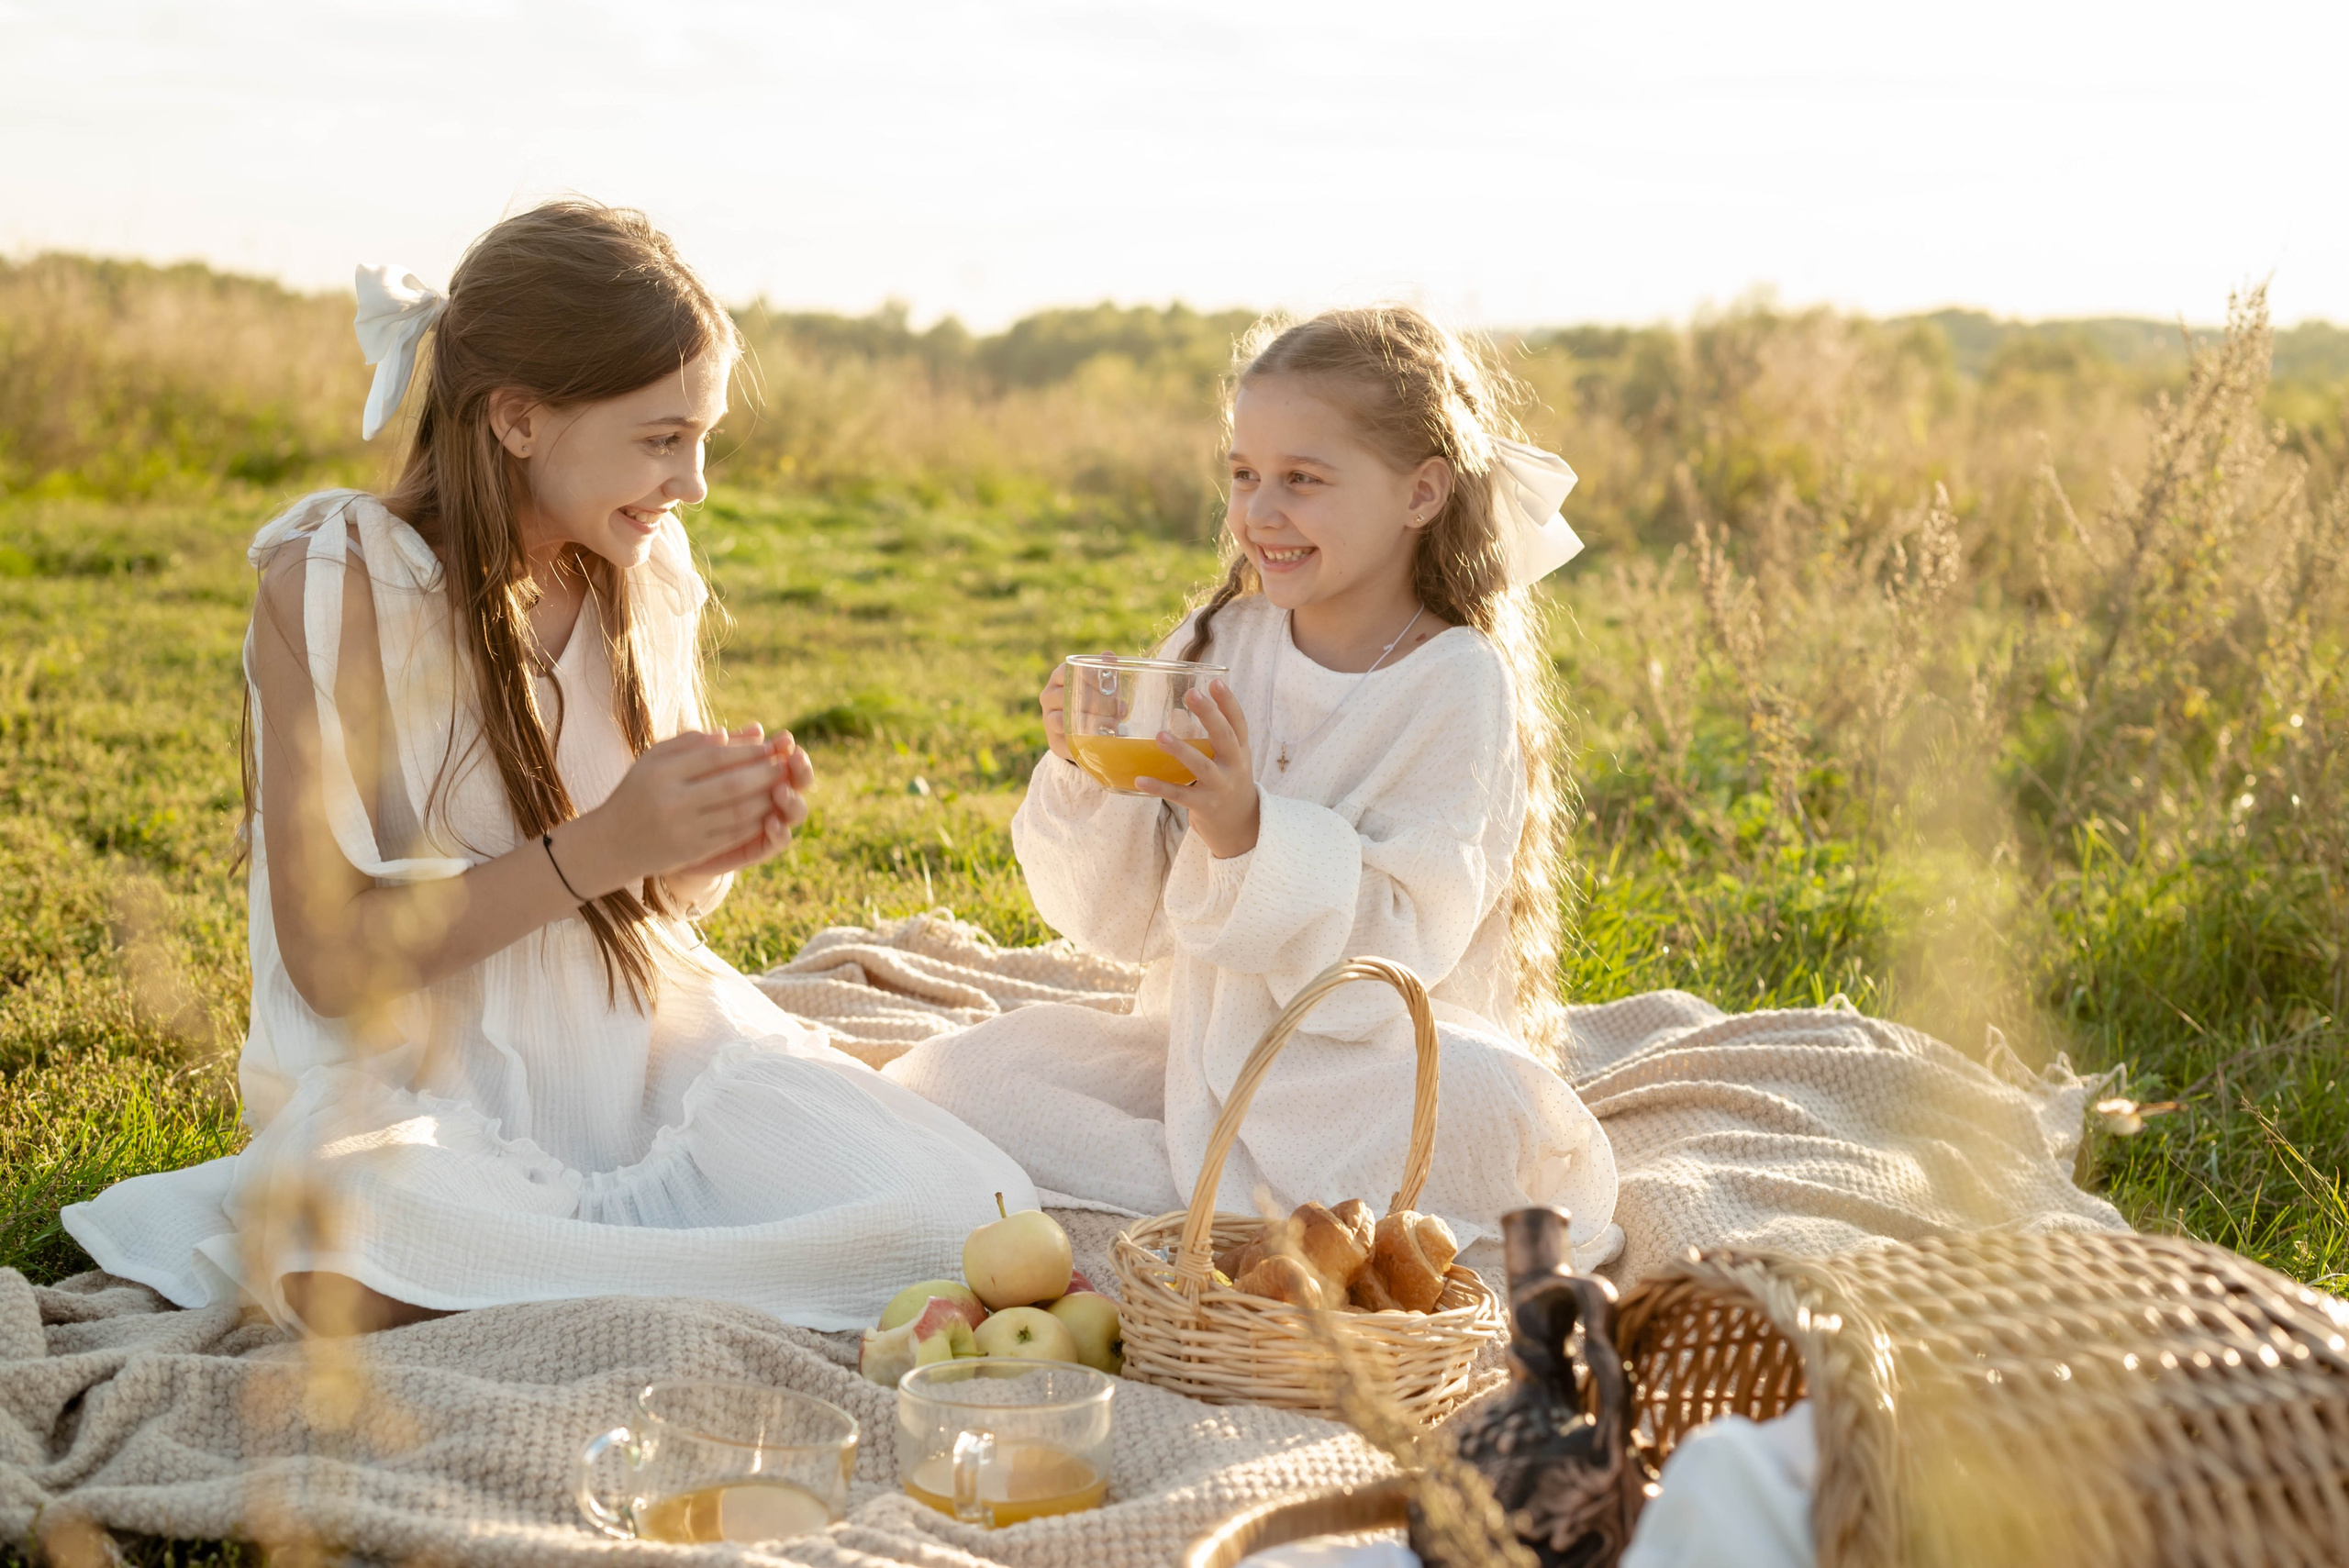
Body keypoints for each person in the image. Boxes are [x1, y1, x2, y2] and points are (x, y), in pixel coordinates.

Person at [62, 201, 1035, 1334]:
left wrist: (694, 849)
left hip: (634, 1053)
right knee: (354, 1235)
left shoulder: (639, 567)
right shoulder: (336, 588)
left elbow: (646, 897)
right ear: (519, 420)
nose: (695, 482)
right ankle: (647, 1272)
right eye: (663, 437)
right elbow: (331, 964)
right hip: (421, 1094)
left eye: (703, 435)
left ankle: (572, 1277)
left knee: (964, 1208)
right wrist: (603, 846)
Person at [887, 306, 1620, 1267]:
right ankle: (1214, 1169)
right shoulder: (1222, 640)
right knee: (956, 1078)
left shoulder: (1454, 682)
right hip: (1202, 1057)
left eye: (1302, 480)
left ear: (1419, 492)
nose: (1258, 513)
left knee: (1505, 1116)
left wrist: (1247, 835)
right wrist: (1088, 772)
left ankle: (1243, 1185)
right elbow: (1125, 922)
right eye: (1243, 474)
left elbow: (1400, 954)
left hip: (1368, 1073)